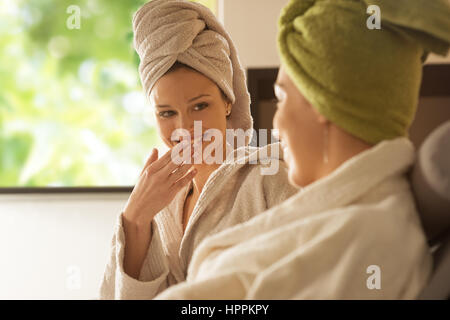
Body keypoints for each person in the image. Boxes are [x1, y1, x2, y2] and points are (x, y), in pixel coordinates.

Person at [152, 0, 450, 299]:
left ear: (321, 101)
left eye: (281, 98)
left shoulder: (367, 240)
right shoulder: (351, 220)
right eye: (165, 112)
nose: (277, 126)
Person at [98, 0, 297, 300]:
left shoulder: (270, 180)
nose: (185, 128)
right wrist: (135, 219)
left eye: (200, 106)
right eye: (166, 113)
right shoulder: (162, 203)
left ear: (228, 101)